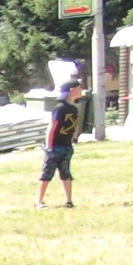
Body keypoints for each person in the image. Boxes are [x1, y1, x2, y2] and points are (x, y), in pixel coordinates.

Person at [36, 80, 84, 209]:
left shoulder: (73, 108)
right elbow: (53, 126)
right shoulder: (60, 108)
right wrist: (49, 146)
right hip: (55, 146)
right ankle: (39, 201)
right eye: (78, 88)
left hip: (66, 146)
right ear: (71, 90)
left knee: (66, 173)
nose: (81, 90)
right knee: (47, 174)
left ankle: (69, 201)